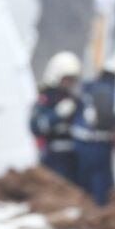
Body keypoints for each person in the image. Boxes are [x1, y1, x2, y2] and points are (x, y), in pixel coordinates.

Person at [31, 51, 84, 189]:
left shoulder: (74, 99)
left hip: (74, 158)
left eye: (72, 80)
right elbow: (35, 126)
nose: (69, 84)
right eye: (67, 79)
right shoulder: (46, 99)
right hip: (52, 158)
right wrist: (57, 115)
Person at [73, 55, 115, 206]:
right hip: (101, 145)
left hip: (81, 143)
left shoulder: (88, 86)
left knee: (83, 183)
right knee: (100, 186)